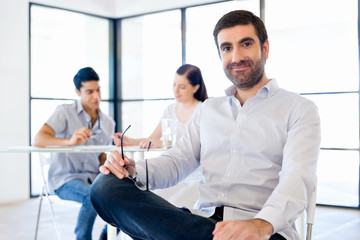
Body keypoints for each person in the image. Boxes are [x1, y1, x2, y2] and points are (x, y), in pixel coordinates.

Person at [90, 10, 321, 240]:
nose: (236, 56)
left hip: (261, 231)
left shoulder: (299, 109)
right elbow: (177, 162)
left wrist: (261, 224)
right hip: (201, 222)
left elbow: (298, 176)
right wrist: (132, 171)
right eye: (227, 48)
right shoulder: (208, 110)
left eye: (246, 44)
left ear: (265, 48)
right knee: (106, 185)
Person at [34, 67, 116, 240]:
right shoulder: (64, 112)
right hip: (65, 180)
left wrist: (110, 162)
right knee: (92, 195)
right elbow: (39, 140)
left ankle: (106, 236)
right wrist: (69, 142)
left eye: (98, 90)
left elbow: (101, 156)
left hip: (94, 178)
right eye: (90, 92)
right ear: (77, 91)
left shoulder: (108, 123)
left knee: (124, 194)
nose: (97, 96)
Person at [113, 63, 208, 149]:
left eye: (182, 87)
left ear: (195, 88)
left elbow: (199, 144)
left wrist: (162, 143)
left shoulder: (203, 110)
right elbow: (152, 139)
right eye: (174, 84)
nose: (176, 90)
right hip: (172, 165)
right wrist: (128, 141)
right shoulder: (170, 110)